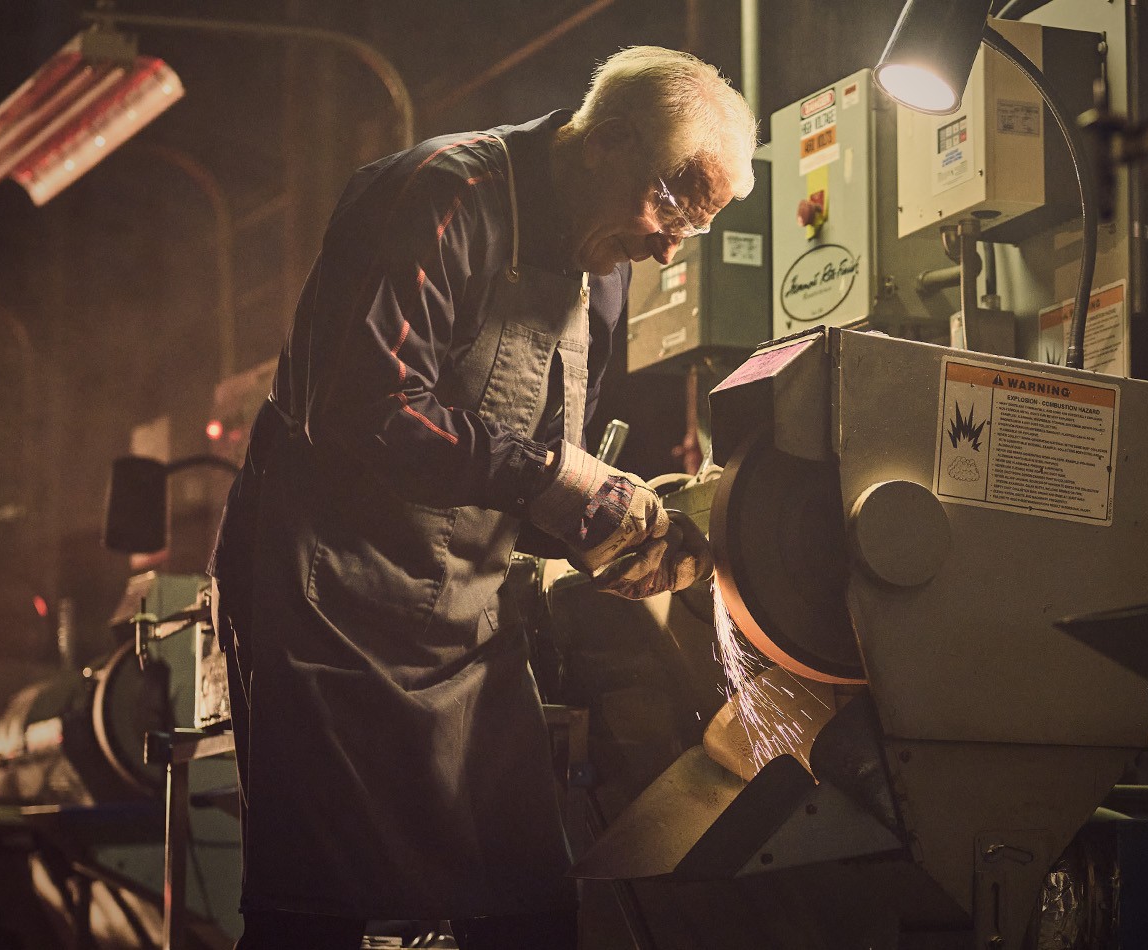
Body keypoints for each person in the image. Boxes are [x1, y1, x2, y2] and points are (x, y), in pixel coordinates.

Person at [208, 46, 757, 949]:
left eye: (694, 228)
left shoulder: (606, 267)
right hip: (330, 603)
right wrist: (559, 483)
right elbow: (357, 408)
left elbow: (527, 465)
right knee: (313, 912)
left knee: (526, 902)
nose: (668, 245)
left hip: (465, 616)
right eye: (669, 203)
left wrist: (597, 532)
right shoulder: (436, 195)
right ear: (605, 141)